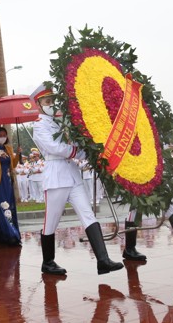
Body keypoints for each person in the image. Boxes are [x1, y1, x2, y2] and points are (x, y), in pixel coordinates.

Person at [31, 83, 123, 276]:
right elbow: (54, 147)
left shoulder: (61, 122)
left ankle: (103, 260)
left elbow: (73, 143)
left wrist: (87, 151)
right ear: (38, 105)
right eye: (47, 101)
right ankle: (48, 262)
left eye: (53, 100)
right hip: (56, 175)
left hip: (72, 174)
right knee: (51, 222)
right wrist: (76, 151)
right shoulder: (39, 125)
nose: (52, 104)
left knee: (88, 214)